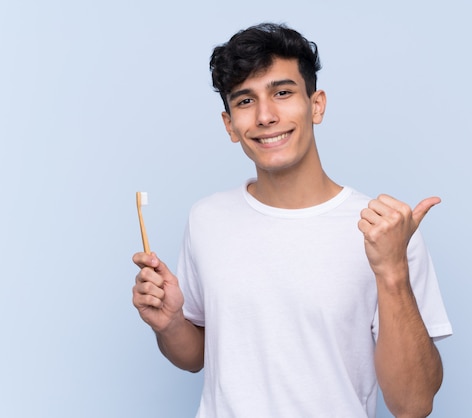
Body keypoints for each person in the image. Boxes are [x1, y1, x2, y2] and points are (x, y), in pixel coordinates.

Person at [132, 22, 452, 418]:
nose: (266, 116)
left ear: (316, 105)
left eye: (282, 93)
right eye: (245, 101)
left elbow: (414, 404)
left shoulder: (385, 231)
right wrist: (170, 324)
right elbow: (198, 357)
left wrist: (392, 273)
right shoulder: (207, 219)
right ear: (230, 124)